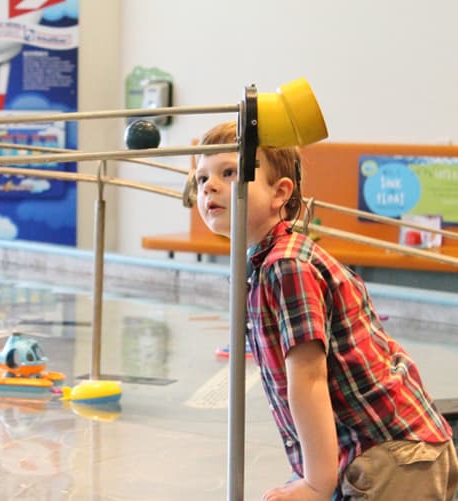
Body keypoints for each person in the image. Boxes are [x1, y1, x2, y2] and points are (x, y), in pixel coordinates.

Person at [192, 121, 458, 500]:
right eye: (201, 177)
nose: (209, 186)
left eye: (230, 173)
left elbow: (309, 376)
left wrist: (316, 483)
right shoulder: (270, 261)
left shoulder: (287, 266)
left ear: (280, 193)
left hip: (390, 456)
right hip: (393, 449)